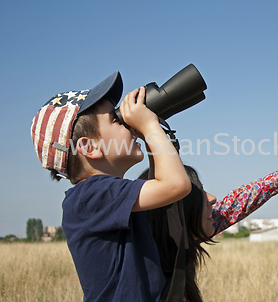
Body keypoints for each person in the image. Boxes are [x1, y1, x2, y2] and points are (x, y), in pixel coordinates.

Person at [30, 71, 192, 302]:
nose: (128, 124)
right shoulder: (91, 196)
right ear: (89, 148)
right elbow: (175, 185)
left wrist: (148, 135)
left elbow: (160, 188)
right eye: (116, 119)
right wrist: (148, 126)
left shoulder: (102, 195)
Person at [144, 126, 278, 302]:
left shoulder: (176, 248)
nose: (212, 198)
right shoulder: (142, 272)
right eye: (199, 193)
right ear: (175, 212)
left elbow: (239, 202)